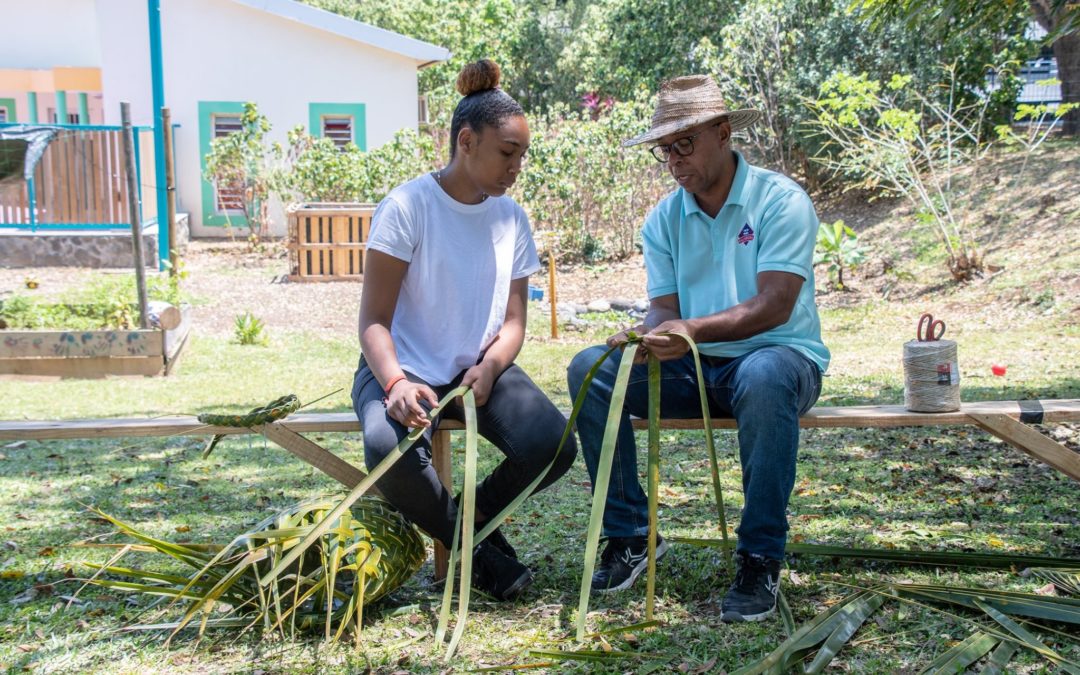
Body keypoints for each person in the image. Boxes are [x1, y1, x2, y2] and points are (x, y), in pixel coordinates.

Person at [567, 74, 828, 622]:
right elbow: (664, 307)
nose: (674, 160)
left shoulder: (780, 201)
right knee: (591, 368)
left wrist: (691, 331)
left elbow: (775, 304)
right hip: (696, 365)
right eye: (665, 149)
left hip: (778, 360)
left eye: (684, 143)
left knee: (764, 376)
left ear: (723, 132)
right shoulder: (664, 217)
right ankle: (632, 535)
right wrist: (649, 334)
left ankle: (760, 556)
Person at [353, 59, 576, 601]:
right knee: (387, 447)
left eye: (522, 155)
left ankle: (468, 531)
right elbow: (373, 321)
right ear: (466, 141)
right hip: (402, 370)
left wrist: (492, 366)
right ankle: (479, 556)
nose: (516, 167)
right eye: (507, 153)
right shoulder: (408, 207)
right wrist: (395, 385)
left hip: (480, 369)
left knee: (554, 446)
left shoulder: (510, 219)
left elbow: (515, 322)